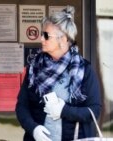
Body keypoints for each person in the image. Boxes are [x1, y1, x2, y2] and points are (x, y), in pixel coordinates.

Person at [16, 5, 102, 141]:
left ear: (63, 39)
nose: (41, 39)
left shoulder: (84, 70)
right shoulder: (35, 68)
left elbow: (94, 111)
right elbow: (22, 106)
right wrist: (34, 129)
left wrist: (64, 111)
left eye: (46, 36)